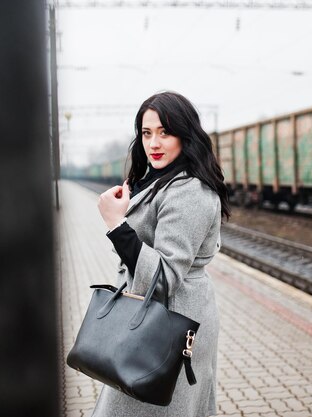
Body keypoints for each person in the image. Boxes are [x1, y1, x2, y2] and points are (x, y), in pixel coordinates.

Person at [93, 91, 230, 417]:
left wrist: (116, 224)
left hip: (170, 325)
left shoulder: (190, 191)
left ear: (185, 134)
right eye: (146, 133)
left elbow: (165, 277)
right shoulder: (159, 180)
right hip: (152, 321)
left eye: (165, 132)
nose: (154, 143)